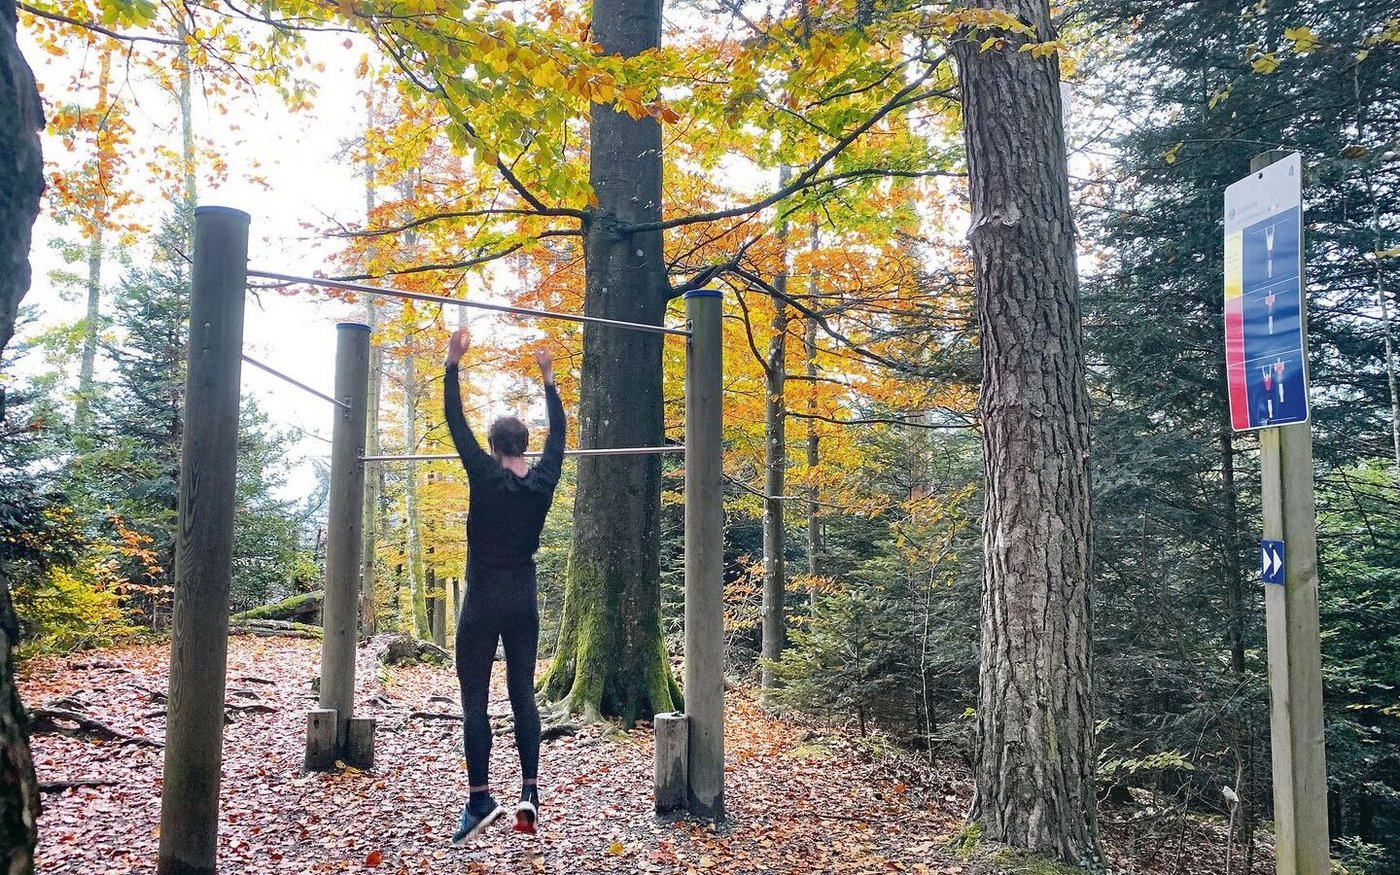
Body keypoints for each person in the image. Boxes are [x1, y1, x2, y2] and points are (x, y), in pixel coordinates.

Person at [443, 326, 565, 844]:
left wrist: (453, 362)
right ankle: (530, 794)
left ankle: (479, 799)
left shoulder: (485, 476)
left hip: (482, 600)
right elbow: (560, 437)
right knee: (523, 699)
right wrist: (548, 380)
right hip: (523, 601)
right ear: (525, 446)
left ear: (493, 448)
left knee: (475, 699)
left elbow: (455, 422)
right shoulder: (542, 482)